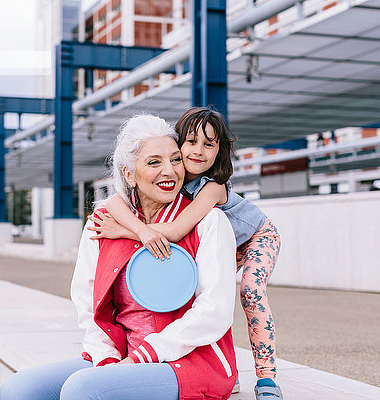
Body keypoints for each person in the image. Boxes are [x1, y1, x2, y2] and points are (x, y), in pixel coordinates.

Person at [0, 114, 238, 400]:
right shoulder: (102, 223)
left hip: (191, 362)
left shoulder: (208, 222)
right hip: (122, 355)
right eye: (153, 162)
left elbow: (215, 311)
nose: (170, 171)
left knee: (83, 390)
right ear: (128, 174)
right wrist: (107, 361)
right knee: (18, 389)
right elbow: (87, 302)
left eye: (176, 160)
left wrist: (142, 358)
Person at [90, 107, 283, 399]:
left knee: (249, 292)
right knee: (203, 292)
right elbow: (113, 204)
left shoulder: (213, 188)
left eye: (209, 144)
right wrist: (138, 227)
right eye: (190, 142)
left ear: (219, 151)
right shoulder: (177, 180)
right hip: (230, 240)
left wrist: (129, 232)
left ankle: (266, 378)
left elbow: (177, 230)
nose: (198, 151)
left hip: (257, 237)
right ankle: (226, 369)